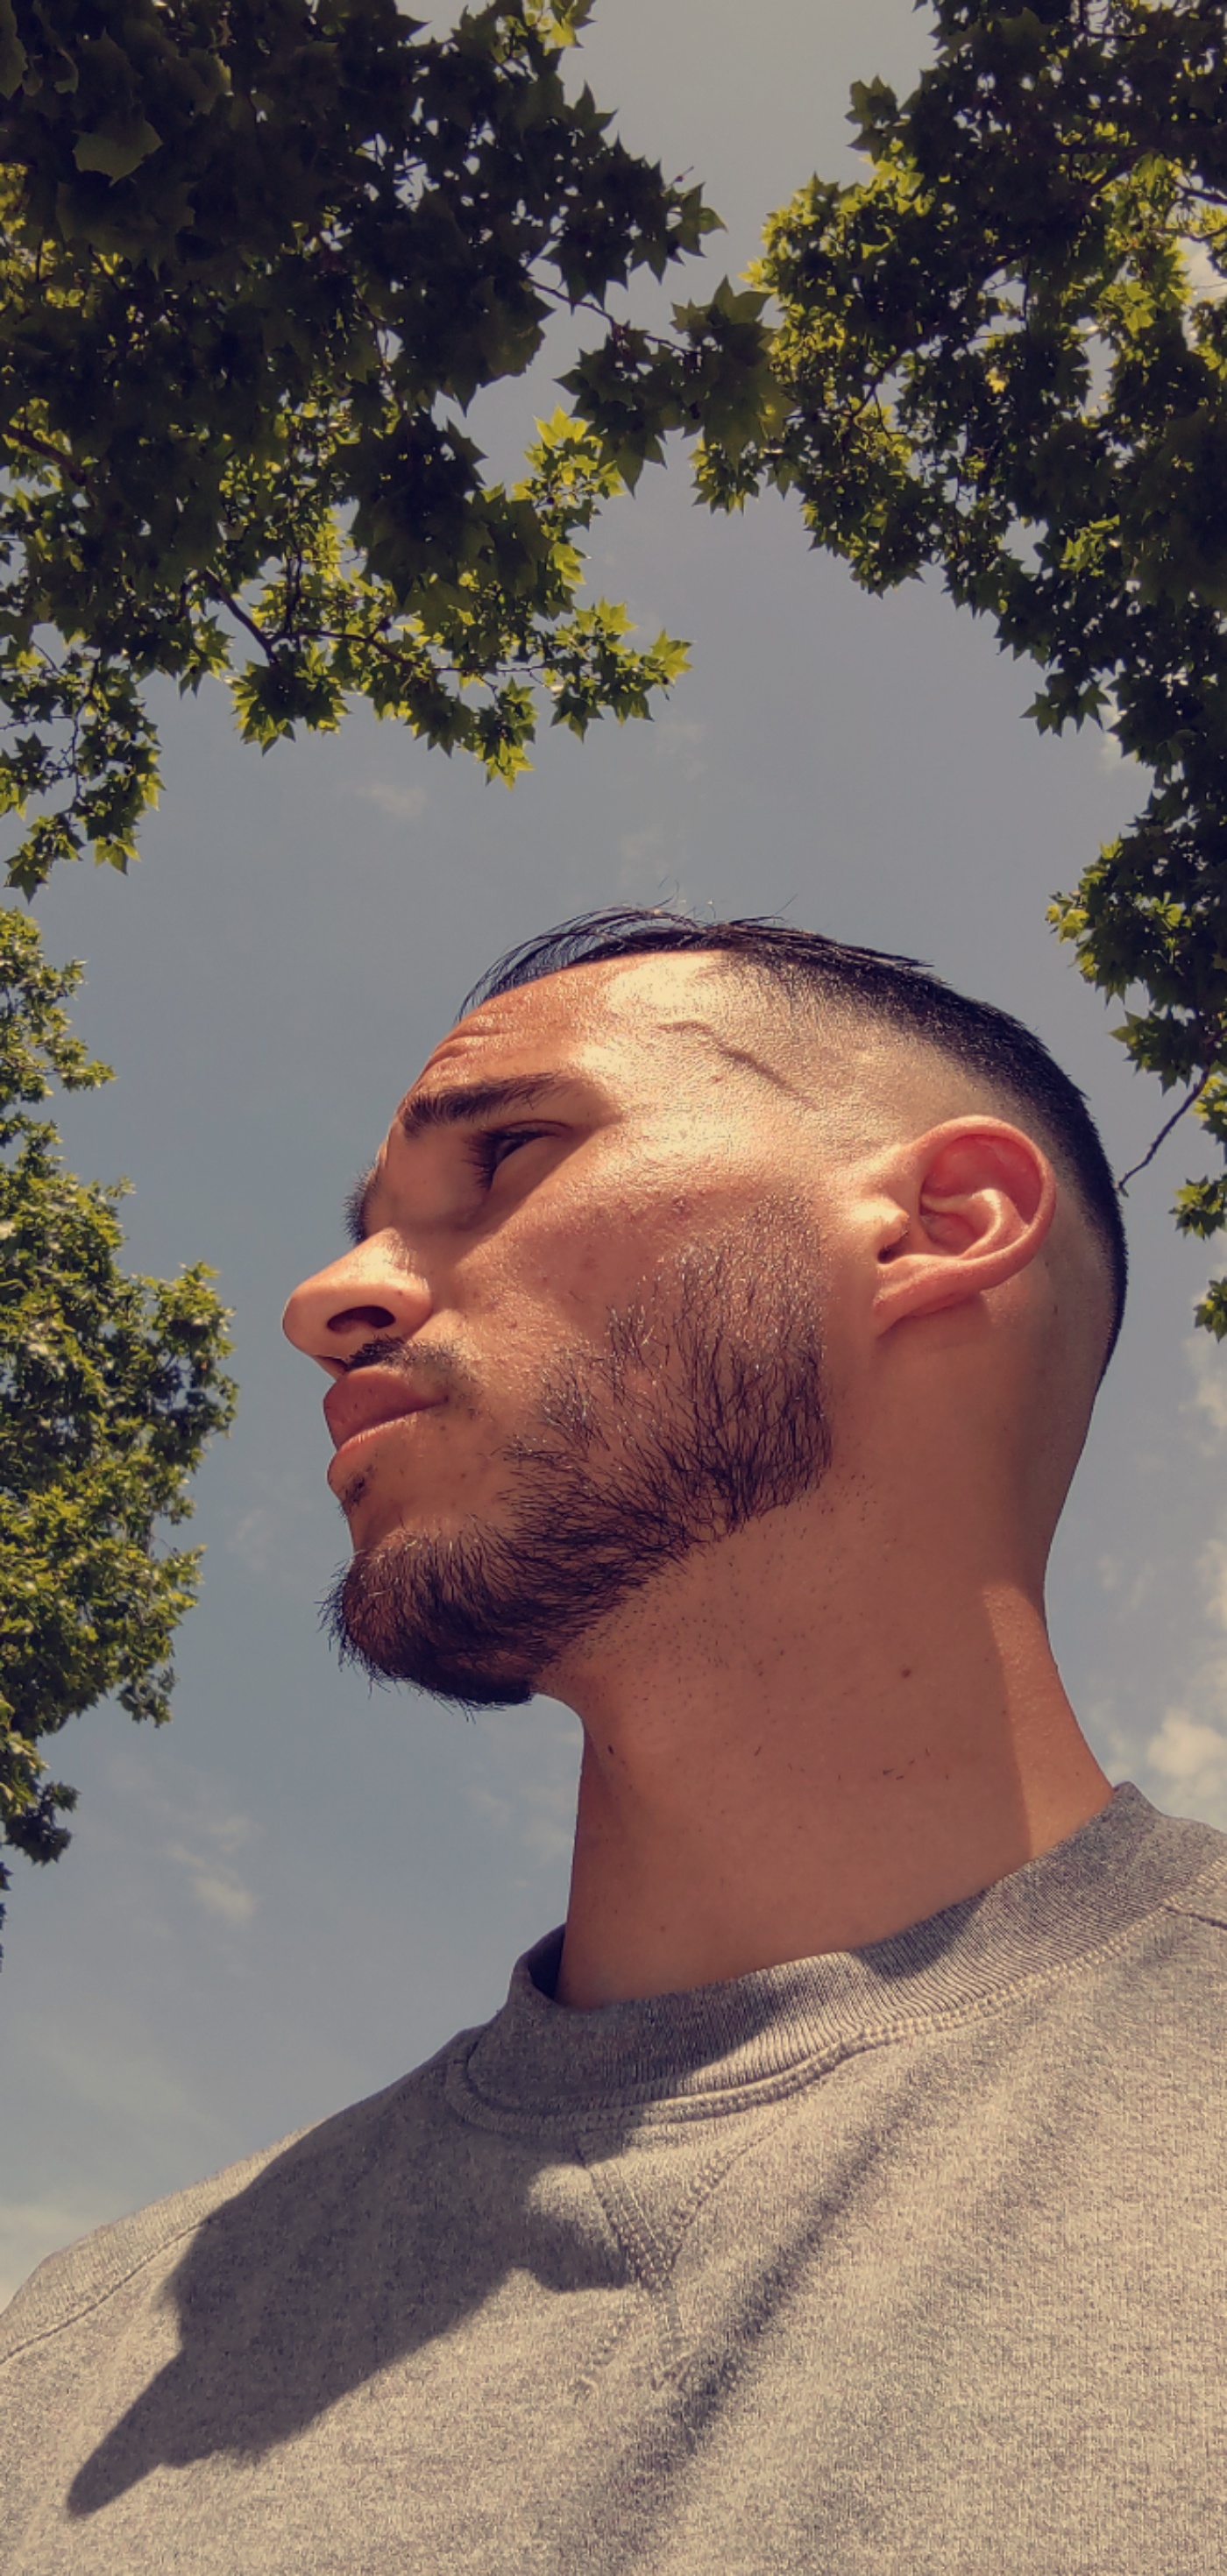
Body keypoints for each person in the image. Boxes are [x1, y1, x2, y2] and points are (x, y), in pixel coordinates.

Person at [4, 908, 1224, 2576]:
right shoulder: (79, 2357)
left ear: (938, 1226)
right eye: (367, 1229)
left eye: (507, 1153)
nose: (325, 1300)